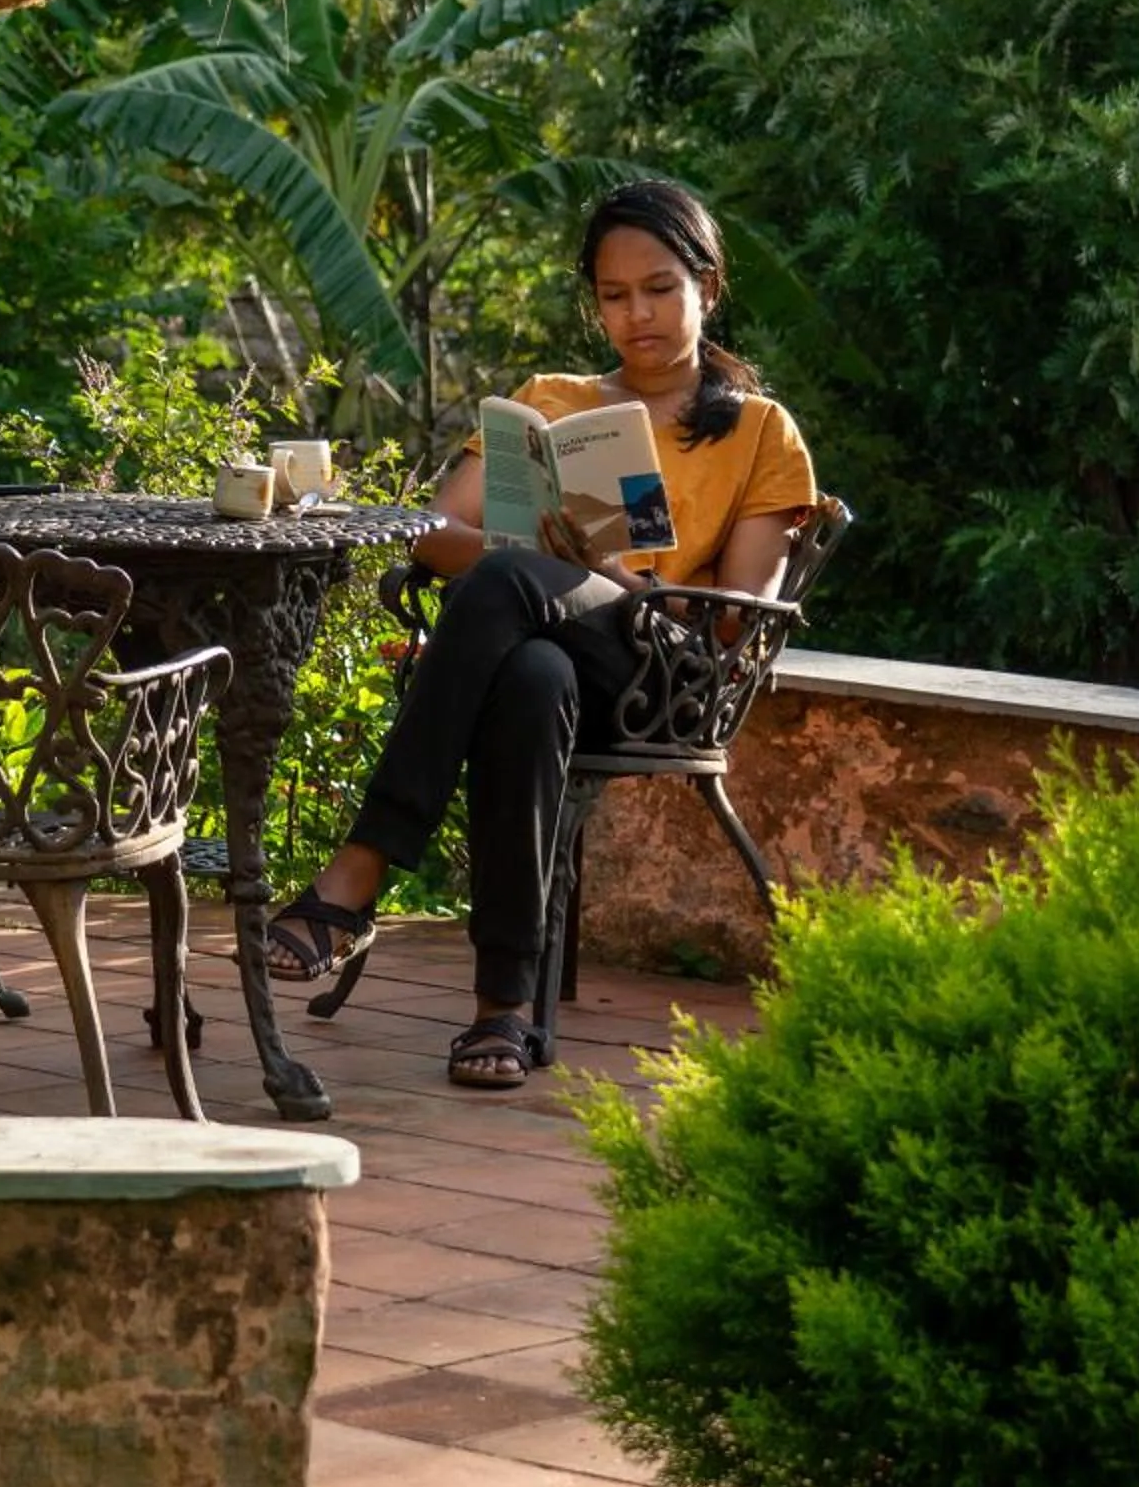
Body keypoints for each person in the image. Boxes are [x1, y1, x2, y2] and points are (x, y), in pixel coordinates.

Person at [265, 179, 817, 1092]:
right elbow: (438, 538)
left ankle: (361, 868)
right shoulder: (552, 401)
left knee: (512, 584)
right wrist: (538, 554)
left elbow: (737, 617)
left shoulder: (759, 430)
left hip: (661, 671)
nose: (636, 313)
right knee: (528, 677)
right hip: (544, 646)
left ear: (707, 288)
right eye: (613, 294)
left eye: (660, 288)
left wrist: (614, 578)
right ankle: (503, 1011)